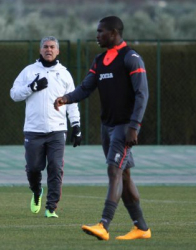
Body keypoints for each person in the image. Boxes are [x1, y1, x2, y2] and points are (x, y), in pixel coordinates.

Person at [54, 16, 151, 240]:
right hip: (107, 126)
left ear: (114, 33)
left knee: (114, 170)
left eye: (101, 32)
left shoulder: (131, 58)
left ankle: (104, 225)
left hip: (125, 126)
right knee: (124, 176)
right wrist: (66, 98)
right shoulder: (99, 60)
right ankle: (142, 228)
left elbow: (142, 94)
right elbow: (86, 88)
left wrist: (134, 126)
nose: (97, 35)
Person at [10, 36, 81, 218]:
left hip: (57, 130)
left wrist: (76, 125)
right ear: (40, 50)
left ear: (57, 51)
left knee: (56, 167)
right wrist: (32, 87)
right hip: (33, 130)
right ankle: (36, 191)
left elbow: (72, 101)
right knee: (34, 168)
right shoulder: (29, 71)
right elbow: (14, 94)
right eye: (45, 47)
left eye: (52, 47)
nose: (48, 50)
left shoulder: (64, 73)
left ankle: (51, 208)